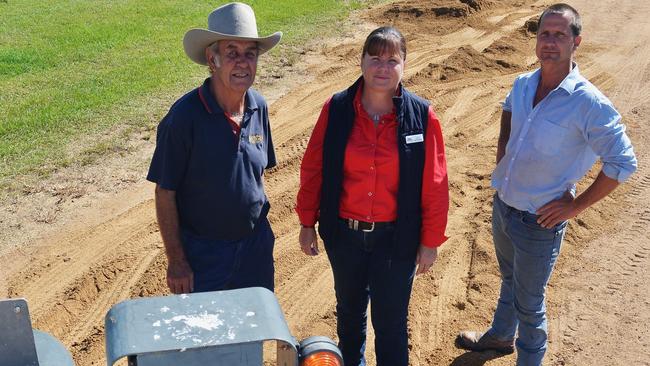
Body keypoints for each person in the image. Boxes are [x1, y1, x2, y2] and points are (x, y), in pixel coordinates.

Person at [456, 4, 637, 365]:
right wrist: (502, 160)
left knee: (531, 304)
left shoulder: (589, 103)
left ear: (576, 42)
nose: (549, 42)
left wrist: (575, 207)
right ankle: (501, 336)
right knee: (508, 278)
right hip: (505, 205)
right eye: (544, 34)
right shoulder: (523, 84)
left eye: (559, 35)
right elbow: (508, 109)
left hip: (540, 222)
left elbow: (623, 162)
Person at [296, 26, 449, 366]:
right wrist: (307, 221)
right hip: (345, 237)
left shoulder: (422, 116)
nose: (383, 67)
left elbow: (435, 183)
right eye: (375, 58)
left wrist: (430, 240)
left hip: (396, 240)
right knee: (349, 318)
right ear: (361, 61)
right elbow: (313, 169)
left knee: (391, 324)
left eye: (392, 60)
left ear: (405, 65)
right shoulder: (335, 109)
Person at [147, 3, 281, 294]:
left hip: (255, 249)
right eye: (232, 53)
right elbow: (164, 192)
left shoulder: (259, 106)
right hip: (203, 256)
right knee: (208, 338)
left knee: (255, 332)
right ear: (212, 59)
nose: (242, 62)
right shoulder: (183, 118)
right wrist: (177, 261)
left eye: (250, 54)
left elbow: (256, 176)